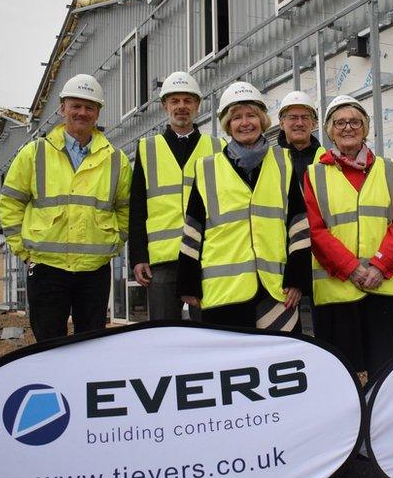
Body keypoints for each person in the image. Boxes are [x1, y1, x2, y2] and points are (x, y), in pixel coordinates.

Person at [0, 74, 131, 341]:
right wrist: (23, 251)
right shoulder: (34, 153)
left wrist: (115, 243)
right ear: (63, 108)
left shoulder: (116, 160)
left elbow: (126, 209)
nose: (82, 112)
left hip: (94, 270)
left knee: (91, 342)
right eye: (76, 106)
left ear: (97, 113)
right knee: (48, 343)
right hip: (47, 267)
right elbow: (11, 202)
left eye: (89, 107)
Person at [177, 82, 309, 330]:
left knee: (278, 359)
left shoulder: (283, 161)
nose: (245, 122)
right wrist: (188, 283)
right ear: (228, 124)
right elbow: (193, 230)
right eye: (236, 117)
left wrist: (298, 279)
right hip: (223, 292)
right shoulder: (207, 168)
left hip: (275, 287)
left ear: (262, 120)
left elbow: (298, 225)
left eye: (251, 116)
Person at [304, 95, 393, 378]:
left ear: (365, 128)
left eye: (355, 122)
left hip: (381, 288)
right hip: (336, 292)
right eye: (340, 122)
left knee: (387, 373)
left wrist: (379, 266)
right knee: (342, 375)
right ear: (329, 130)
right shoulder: (314, 174)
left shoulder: (388, 169)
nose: (347, 128)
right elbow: (315, 230)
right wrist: (352, 269)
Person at [128, 71, 224, 321]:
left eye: (188, 100)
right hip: (163, 261)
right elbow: (137, 207)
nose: (182, 107)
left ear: (197, 105)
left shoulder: (218, 148)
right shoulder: (147, 148)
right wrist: (138, 257)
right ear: (164, 106)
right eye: (175, 101)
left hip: (207, 255)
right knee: (163, 333)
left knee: (209, 331)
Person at [276, 90, 325, 333]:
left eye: (306, 117)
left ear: (314, 123)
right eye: (292, 117)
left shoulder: (327, 159)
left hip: (321, 256)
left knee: (324, 326)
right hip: (281, 257)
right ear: (281, 122)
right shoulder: (268, 160)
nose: (299, 123)